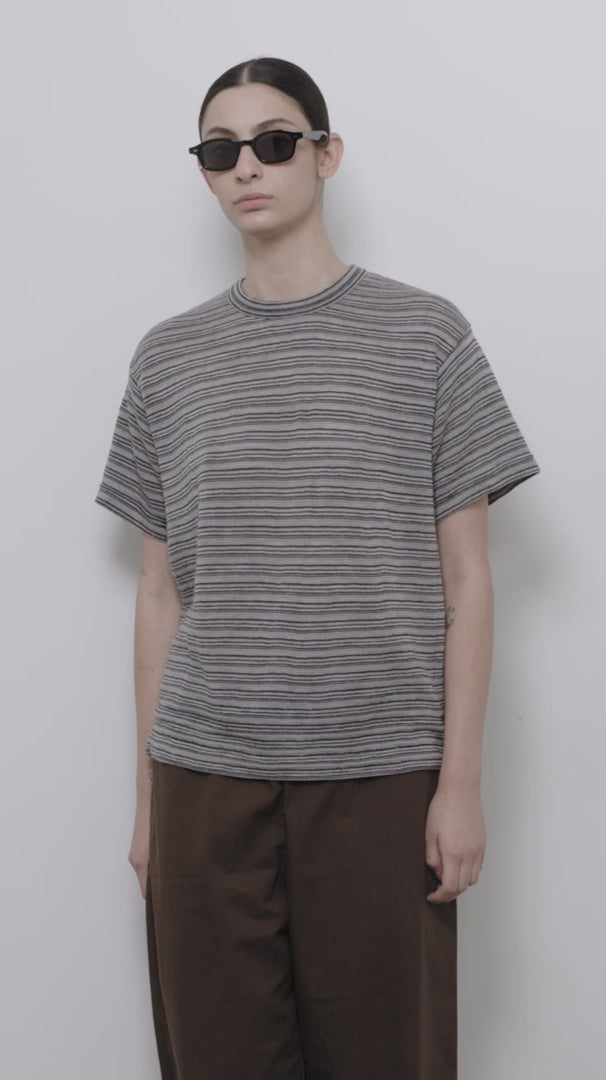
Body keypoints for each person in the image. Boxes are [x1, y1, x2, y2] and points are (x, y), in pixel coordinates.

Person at [95, 56, 540, 1080]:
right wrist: (150, 804)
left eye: (273, 141)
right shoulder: (168, 358)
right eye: (221, 150)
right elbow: (159, 593)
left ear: (326, 154)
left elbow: (470, 584)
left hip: (380, 775)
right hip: (205, 777)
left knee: (388, 1056)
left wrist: (460, 786)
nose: (247, 166)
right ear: (204, 172)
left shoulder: (427, 336)